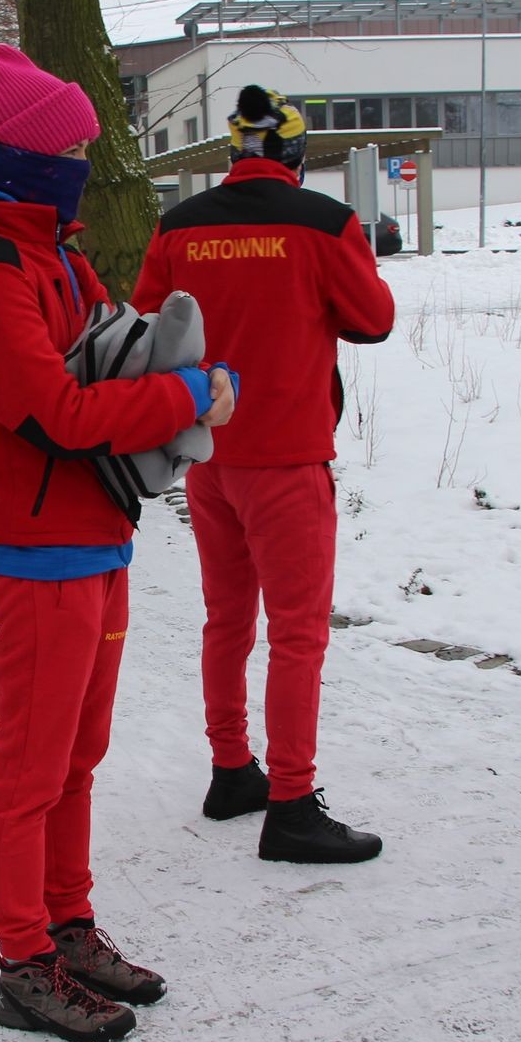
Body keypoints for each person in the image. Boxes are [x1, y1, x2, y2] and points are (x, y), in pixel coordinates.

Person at [0, 42, 233, 1042]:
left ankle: (67, 923)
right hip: (37, 551)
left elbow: (109, 345)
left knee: (78, 754)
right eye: (72, 152)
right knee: (31, 763)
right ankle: (23, 959)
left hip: (96, 534)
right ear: (26, 157)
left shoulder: (50, 251)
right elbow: (55, 409)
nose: (85, 170)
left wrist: (178, 369)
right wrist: (184, 396)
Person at [129, 85, 396, 866]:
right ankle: (291, 801)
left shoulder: (179, 226)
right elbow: (373, 319)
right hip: (290, 459)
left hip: (210, 459)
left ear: (234, 152)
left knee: (228, 619)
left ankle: (230, 770)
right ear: (294, 156)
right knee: (299, 634)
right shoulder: (324, 223)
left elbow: (151, 324)